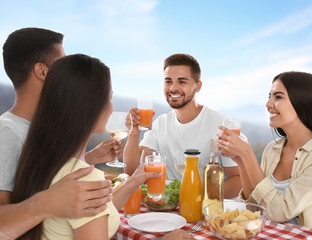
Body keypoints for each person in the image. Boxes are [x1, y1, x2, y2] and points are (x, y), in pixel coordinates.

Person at [0, 27, 119, 239]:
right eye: (61, 64)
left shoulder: (41, 129)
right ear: (43, 71)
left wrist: (88, 160)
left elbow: (50, 177)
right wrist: (46, 203)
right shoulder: (7, 133)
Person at [217, 71, 312, 240]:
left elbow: (280, 211)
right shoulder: (273, 149)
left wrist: (248, 153)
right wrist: (241, 161)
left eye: (278, 97)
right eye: (269, 96)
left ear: (304, 102)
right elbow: (256, 210)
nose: (268, 104)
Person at [124, 53, 243, 198]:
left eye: (182, 82)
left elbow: (238, 181)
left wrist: (192, 194)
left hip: (211, 211)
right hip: (173, 209)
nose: (173, 88)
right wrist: (133, 134)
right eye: (168, 81)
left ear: (197, 86)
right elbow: (132, 171)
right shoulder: (160, 124)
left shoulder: (221, 125)